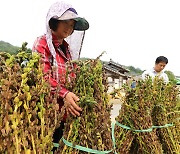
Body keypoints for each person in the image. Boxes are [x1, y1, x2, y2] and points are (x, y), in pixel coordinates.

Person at [32, 1, 89, 150]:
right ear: (54, 21)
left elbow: (73, 75)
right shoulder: (42, 43)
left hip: (66, 115)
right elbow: (42, 76)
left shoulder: (67, 50)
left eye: (72, 25)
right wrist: (64, 94)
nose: (69, 28)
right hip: (47, 114)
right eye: (66, 23)